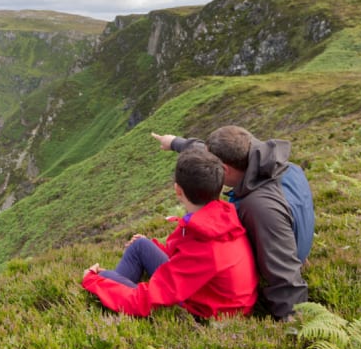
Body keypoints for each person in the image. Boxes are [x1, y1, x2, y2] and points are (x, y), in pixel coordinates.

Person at [151, 126, 309, 319]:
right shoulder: (283, 167)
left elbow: (285, 275)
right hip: (288, 243)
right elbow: (209, 157)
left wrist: (296, 330)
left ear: (224, 170)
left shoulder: (259, 208)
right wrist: (176, 142)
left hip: (250, 281)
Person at [81, 149, 258, 319]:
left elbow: (145, 300)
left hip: (205, 313)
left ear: (177, 190)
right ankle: (117, 290)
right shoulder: (221, 216)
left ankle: (114, 296)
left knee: (103, 278)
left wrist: (93, 280)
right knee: (140, 246)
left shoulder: (205, 246)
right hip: (215, 297)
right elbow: (189, 258)